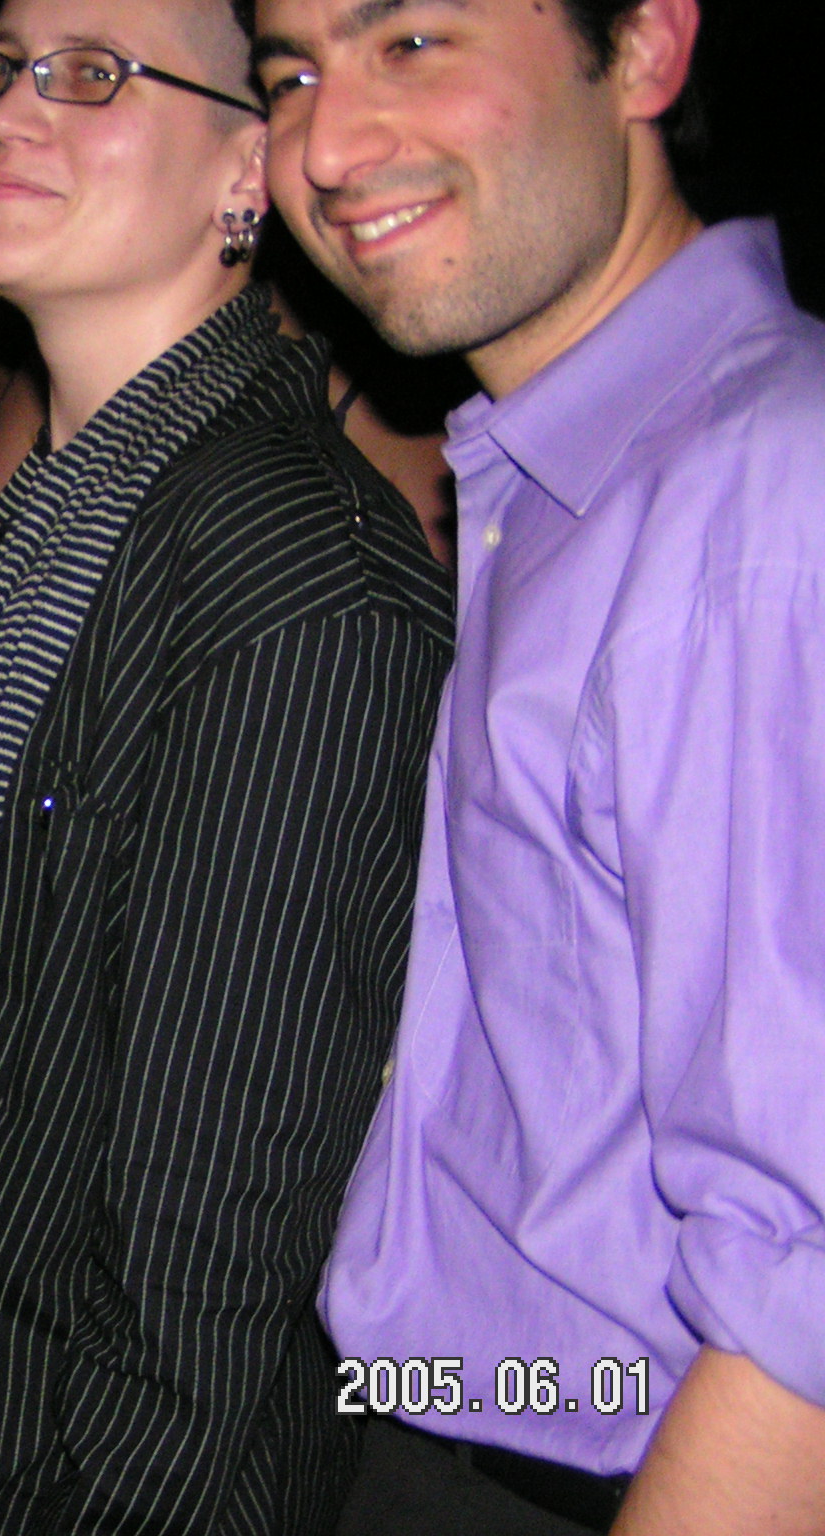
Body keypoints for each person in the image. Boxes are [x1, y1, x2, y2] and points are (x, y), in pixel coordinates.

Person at [0, 0, 453, 1530]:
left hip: (23, 1478)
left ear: (245, 171)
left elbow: (214, 1229)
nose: (3, 113)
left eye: (93, 75)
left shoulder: (292, 575)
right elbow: (26, 836)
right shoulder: (75, 496)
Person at [247, 0, 825, 1530]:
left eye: (411, 43)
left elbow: (810, 1290)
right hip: (444, 1433)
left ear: (642, 49)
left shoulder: (762, 494)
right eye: (290, 71)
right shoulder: (566, 471)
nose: (327, 144)